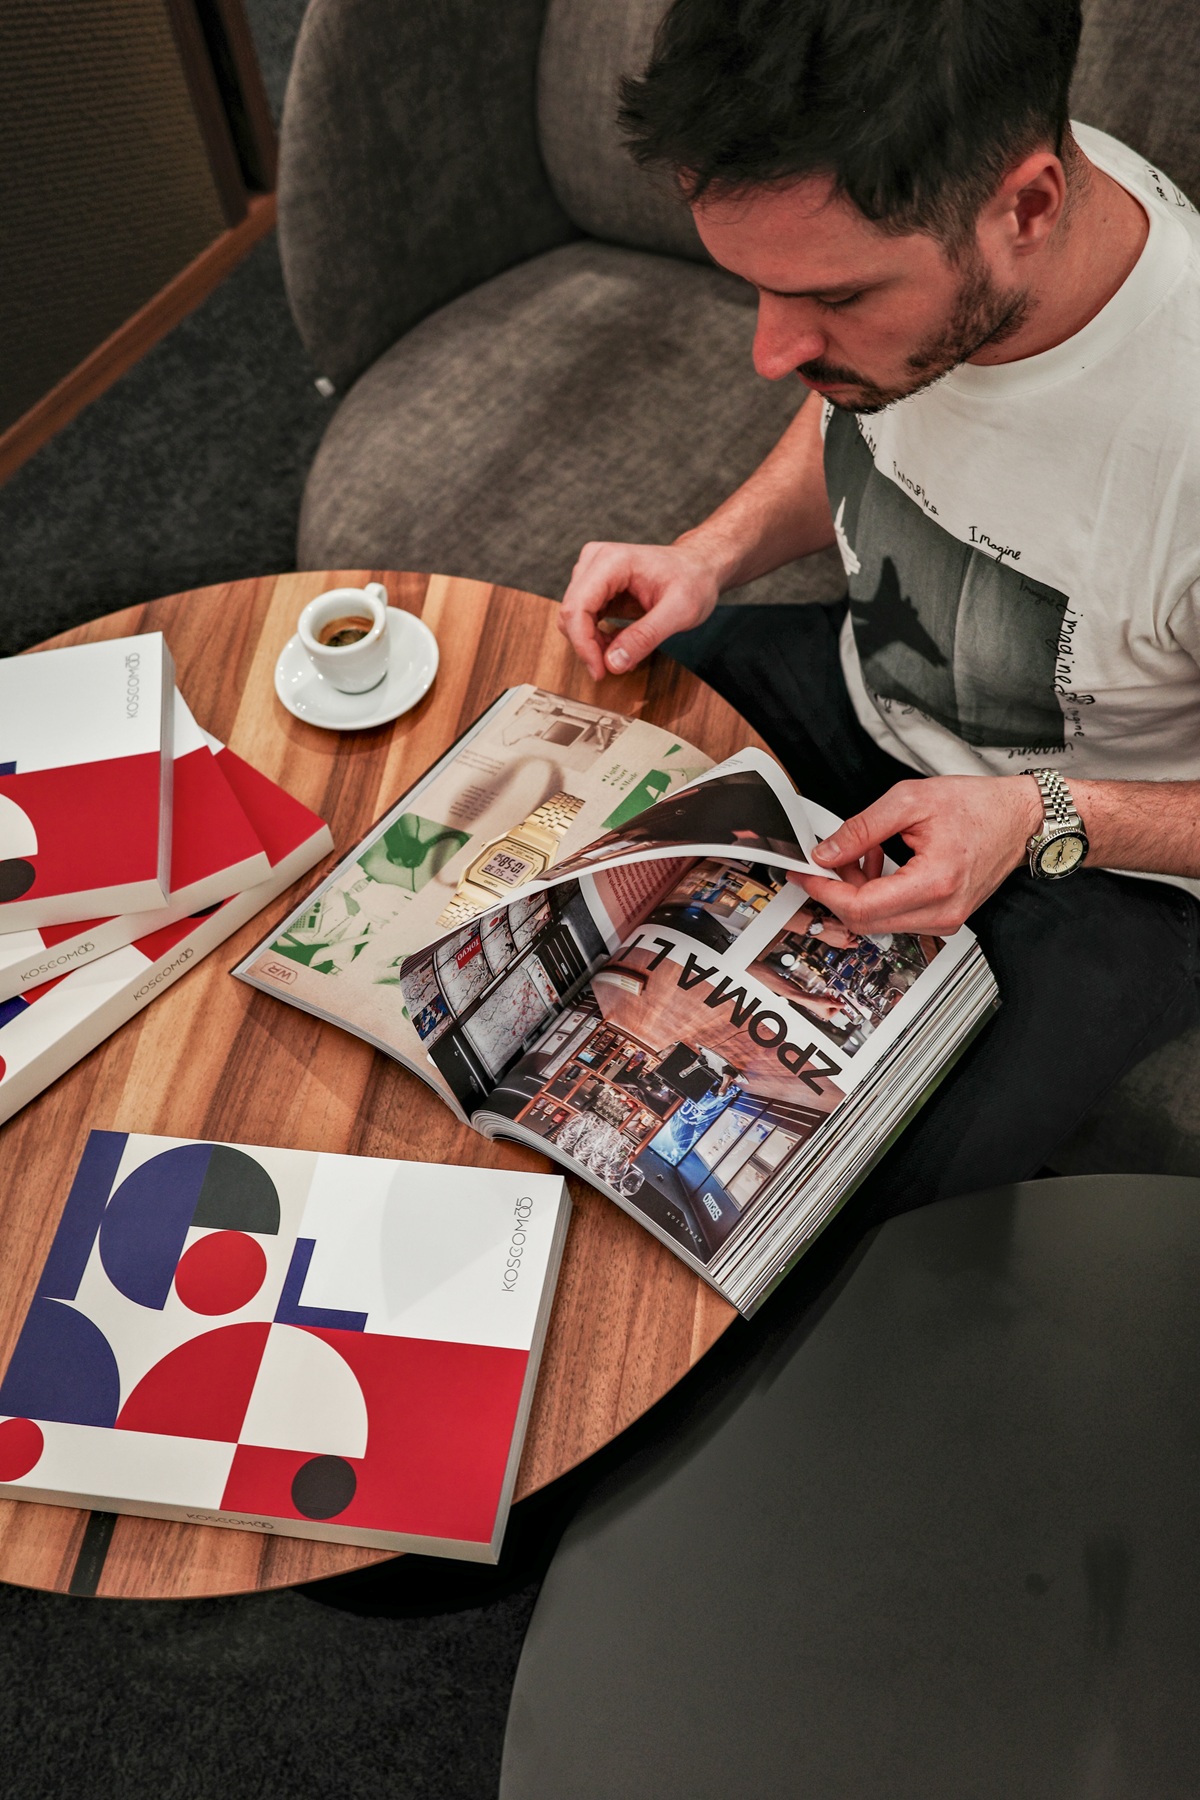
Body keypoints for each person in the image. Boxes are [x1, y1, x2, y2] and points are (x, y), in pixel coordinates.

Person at [557, 0, 1200, 1219]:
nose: (771, 350)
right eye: (757, 288)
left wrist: (1040, 812)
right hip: (866, 686)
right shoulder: (973, 213)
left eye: (835, 297)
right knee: (548, 788)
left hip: (1097, 858)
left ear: (1029, 206)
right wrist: (711, 553)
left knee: (815, 1212)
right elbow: (860, 413)